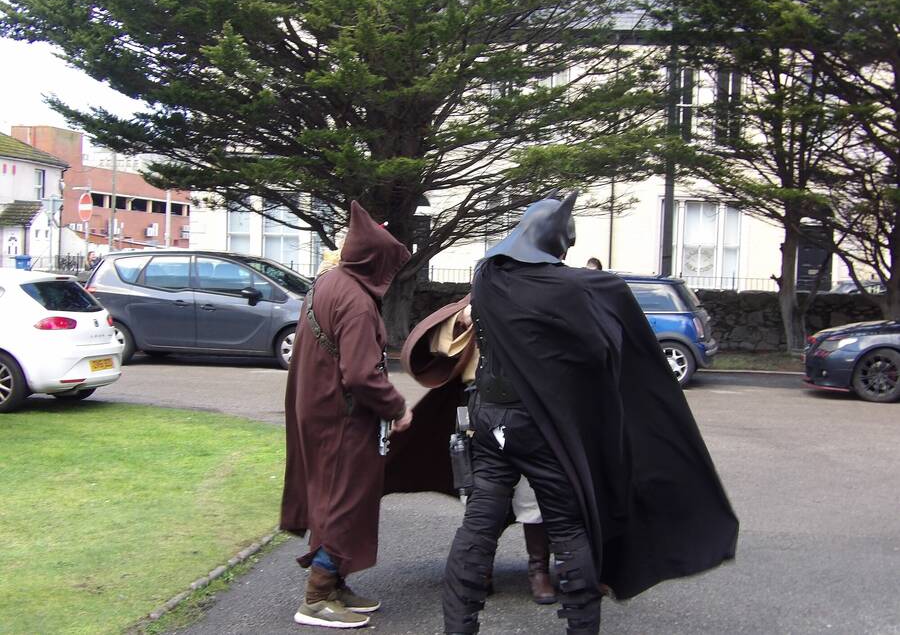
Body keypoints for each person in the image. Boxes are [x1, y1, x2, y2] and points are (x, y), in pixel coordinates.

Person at [442, 192, 738, 635]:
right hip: (540, 428)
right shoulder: (584, 287)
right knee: (568, 527)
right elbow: (609, 349)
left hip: (488, 420)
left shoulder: (487, 277)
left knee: (478, 526)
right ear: (556, 241)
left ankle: (458, 628)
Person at [281, 201, 414, 630]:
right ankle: (317, 597)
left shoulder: (329, 281)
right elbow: (359, 374)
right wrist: (396, 406)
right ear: (375, 261)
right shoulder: (356, 301)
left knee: (330, 498)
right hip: (342, 418)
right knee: (344, 502)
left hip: (319, 412)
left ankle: (334, 584)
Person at [399, 298, 557, 604]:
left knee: (533, 492)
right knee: (484, 496)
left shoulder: (539, 295)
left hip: (529, 412)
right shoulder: (481, 297)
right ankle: (479, 568)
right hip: (481, 410)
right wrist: (462, 318)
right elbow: (439, 343)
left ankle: (538, 570)